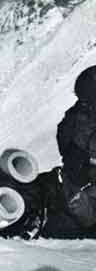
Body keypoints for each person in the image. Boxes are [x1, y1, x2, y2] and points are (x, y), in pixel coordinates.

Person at [44, 65, 96, 237]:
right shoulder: (79, 119)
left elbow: (64, 146)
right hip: (82, 187)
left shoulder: (73, 116)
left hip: (76, 182)